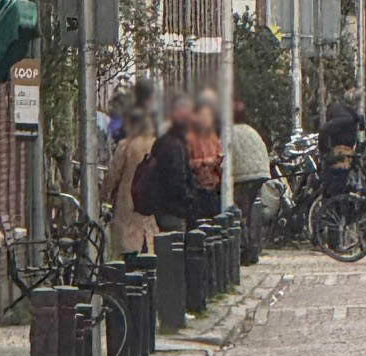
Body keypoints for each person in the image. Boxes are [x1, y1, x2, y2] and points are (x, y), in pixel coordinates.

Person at [147, 95, 216, 230]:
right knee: (176, 245)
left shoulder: (166, 142)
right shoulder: (175, 146)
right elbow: (177, 180)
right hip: (174, 211)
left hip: (165, 208)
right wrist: (192, 199)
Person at [102, 108, 158, 258]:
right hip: (150, 203)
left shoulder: (126, 145)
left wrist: (104, 193)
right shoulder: (156, 144)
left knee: (129, 250)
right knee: (149, 245)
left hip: (127, 204)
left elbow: (113, 174)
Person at [230, 101, 271, 263]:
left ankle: (245, 251)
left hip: (243, 176)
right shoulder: (250, 130)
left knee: (238, 212)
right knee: (248, 213)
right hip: (260, 173)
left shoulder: (230, 133)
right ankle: (252, 249)